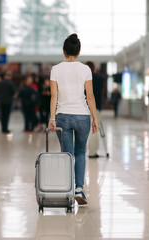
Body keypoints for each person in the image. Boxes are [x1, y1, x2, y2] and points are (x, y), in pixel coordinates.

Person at [48, 33, 99, 206]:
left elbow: (54, 95)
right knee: (80, 153)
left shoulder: (56, 69)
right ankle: (79, 189)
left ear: (63, 51)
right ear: (79, 51)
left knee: (67, 155)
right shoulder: (85, 69)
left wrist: (52, 118)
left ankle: (68, 191)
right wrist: (95, 118)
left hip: (63, 116)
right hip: (82, 116)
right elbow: (90, 96)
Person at [85, 61, 105, 158]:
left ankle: (81, 151)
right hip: (95, 107)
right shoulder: (99, 78)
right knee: (94, 130)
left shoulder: (83, 78)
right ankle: (92, 152)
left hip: (83, 107)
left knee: (82, 130)